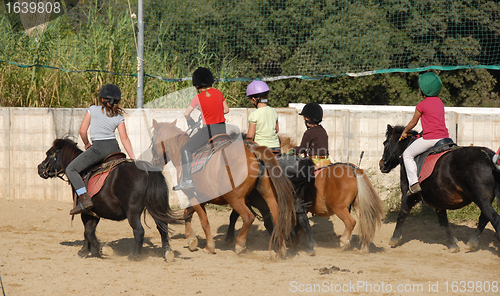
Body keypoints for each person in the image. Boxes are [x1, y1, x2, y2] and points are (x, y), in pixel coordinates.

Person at [66, 84, 136, 215]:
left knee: (71, 169)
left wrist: (86, 144)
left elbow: (82, 131)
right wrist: (133, 158)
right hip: (115, 150)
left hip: (98, 149)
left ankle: (84, 199)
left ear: (102, 99)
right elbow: (124, 138)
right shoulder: (119, 117)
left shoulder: (92, 110)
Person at [173, 67, 229, 190]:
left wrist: (191, 122)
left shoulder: (198, 98)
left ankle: (187, 180)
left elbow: (186, 114)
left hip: (208, 132)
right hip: (222, 130)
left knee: (186, 149)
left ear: (197, 85)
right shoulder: (218, 93)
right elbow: (226, 110)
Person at [400, 72, 449, 195]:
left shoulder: (421, 105)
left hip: (430, 139)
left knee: (407, 155)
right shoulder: (440, 102)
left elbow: (413, 123)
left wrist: (404, 132)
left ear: (423, 90)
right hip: (444, 138)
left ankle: (414, 184)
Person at [245, 81, 280, 153]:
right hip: (276, 147)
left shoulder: (254, 114)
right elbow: (277, 130)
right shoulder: (273, 111)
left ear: (254, 99)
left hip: (260, 148)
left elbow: (250, 136)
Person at [292, 102, 330, 167]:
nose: (304, 119)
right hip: (326, 160)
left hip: (314, 161)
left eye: (305, 117)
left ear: (309, 118)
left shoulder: (309, 132)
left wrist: (294, 149)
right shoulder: (323, 130)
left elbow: (302, 149)